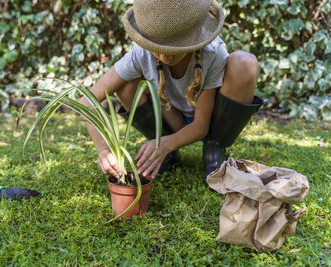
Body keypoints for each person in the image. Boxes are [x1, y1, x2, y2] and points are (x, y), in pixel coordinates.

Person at [81, 0, 263, 181]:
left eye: (173, 49)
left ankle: (214, 147)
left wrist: (166, 144)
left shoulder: (212, 52)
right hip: (172, 119)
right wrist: (103, 150)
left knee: (245, 62)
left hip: (210, 121)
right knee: (126, 85)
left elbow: (201, 126)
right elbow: (86, 101)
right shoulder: (141, 54)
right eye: (156, 48)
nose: (164, 56)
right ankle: (165, 149)